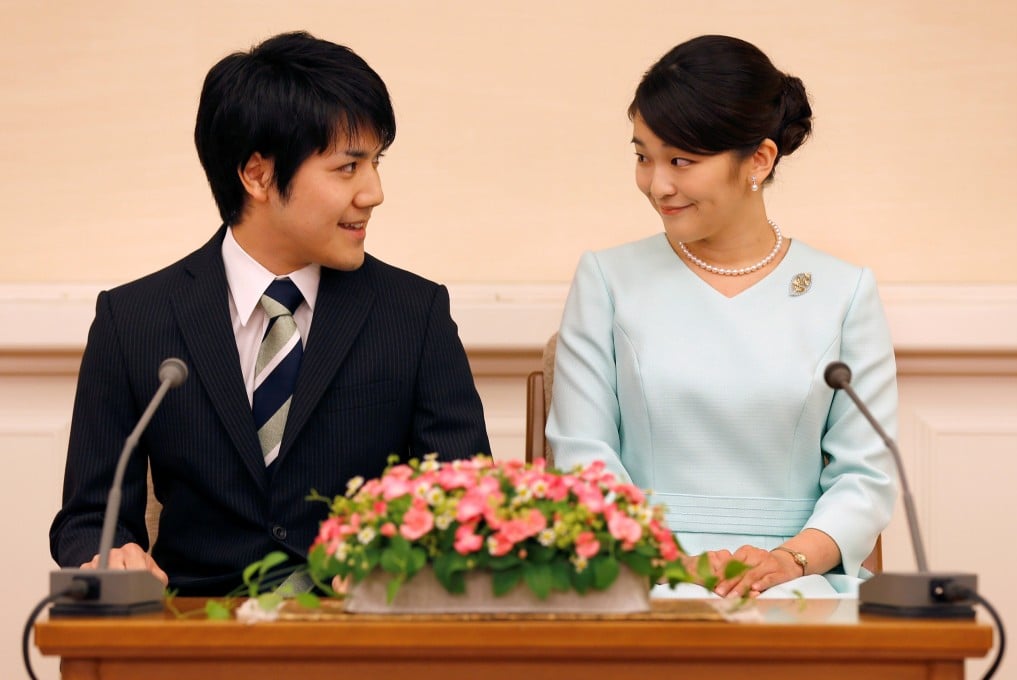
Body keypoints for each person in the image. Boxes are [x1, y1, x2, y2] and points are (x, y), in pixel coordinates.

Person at [50, 31, 491, 596]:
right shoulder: (133, 319)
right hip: (196, 635)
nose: (374, 192)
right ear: (257, 175)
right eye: (347, 168)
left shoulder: (415, 313)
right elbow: (88, 516)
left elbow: (469, 502)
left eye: (376, 163)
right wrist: (109, 555)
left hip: (360, 635)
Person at [546, 35, 898, 598]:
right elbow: (583, 456)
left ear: (759, 159)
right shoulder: (607, 279)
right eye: (643, 157)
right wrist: (670, 563)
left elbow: (865, 475)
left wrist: (789, 561)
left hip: (796, 580)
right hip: (641, 574)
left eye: (681, 160)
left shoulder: (844, 291)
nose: (657, 185)